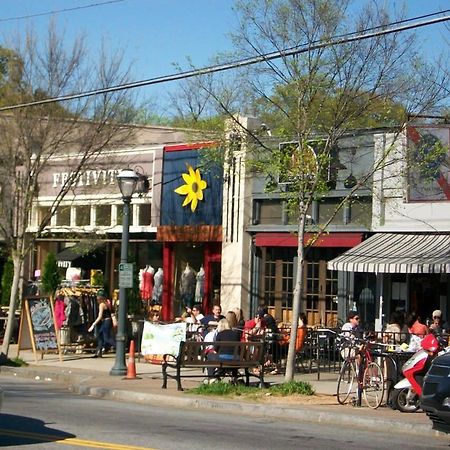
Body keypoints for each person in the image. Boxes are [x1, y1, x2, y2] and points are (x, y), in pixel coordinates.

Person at [88, 291, 116, 358]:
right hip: (107, 321)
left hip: (106, 322)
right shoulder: (107, 303)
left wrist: (93, 324)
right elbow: (111, 313)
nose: (97, 298)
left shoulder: (102, 305)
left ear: (100, 298)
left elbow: (100, 316)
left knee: (106, 338)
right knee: (100, 336)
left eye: (98, 297)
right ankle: (98, 352)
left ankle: (119, 348)